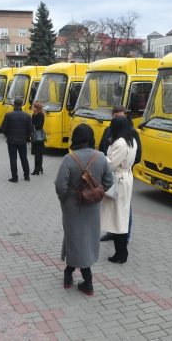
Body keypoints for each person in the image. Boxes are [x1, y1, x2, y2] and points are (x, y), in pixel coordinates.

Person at [54, 124, 114, 296]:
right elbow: (109, 182)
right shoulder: (101, 157)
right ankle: (70, 274)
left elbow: (60, 186)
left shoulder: (69, 159)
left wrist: (65, 199)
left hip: (72, 208)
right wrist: (95, 192)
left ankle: (86, 281)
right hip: (93, 208)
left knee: (74, 238)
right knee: (85, 239)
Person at [99, 106, 141, 243]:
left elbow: (137, 156)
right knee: (114, 208)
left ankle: (123, 237)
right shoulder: (109, 130)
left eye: (119, 117)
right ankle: (113, 233)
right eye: (115, 116)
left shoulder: (130, 136)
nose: (116, 119)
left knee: (123, 209)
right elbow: (102, 147)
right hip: (113, 174)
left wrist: (121, 166)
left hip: (119, 176)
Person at [101, 116, 137, 264]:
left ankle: (121, 253)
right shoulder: (131, 139)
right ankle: (120, 252)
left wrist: (100, 158)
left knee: (118, 217)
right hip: (126, 177)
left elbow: (111, 164)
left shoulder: (121, 143)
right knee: (120, 215)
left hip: (118, 180)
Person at [1, 98, 32, 182]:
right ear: (22, 105)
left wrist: (8, 135)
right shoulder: (27, 116)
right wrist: (26, 137)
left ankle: (14, 177)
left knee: (13, 159)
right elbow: (30, 129)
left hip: (11, 141)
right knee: (24, 158)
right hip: (22, 141)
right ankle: (26, 176)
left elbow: (3, 128)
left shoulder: (8, 115)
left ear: (14, 105)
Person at [31, 101, 45, 175]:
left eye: (33, 106)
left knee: (38, 153)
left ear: (37, 108)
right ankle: (39, 168)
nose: (32, 108)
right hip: (36, 136)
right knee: (38, 153)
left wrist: (32, 126)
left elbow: (39, 125)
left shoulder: (40, 115)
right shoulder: (35, 114)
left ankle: (37, 169)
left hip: (38, 136)